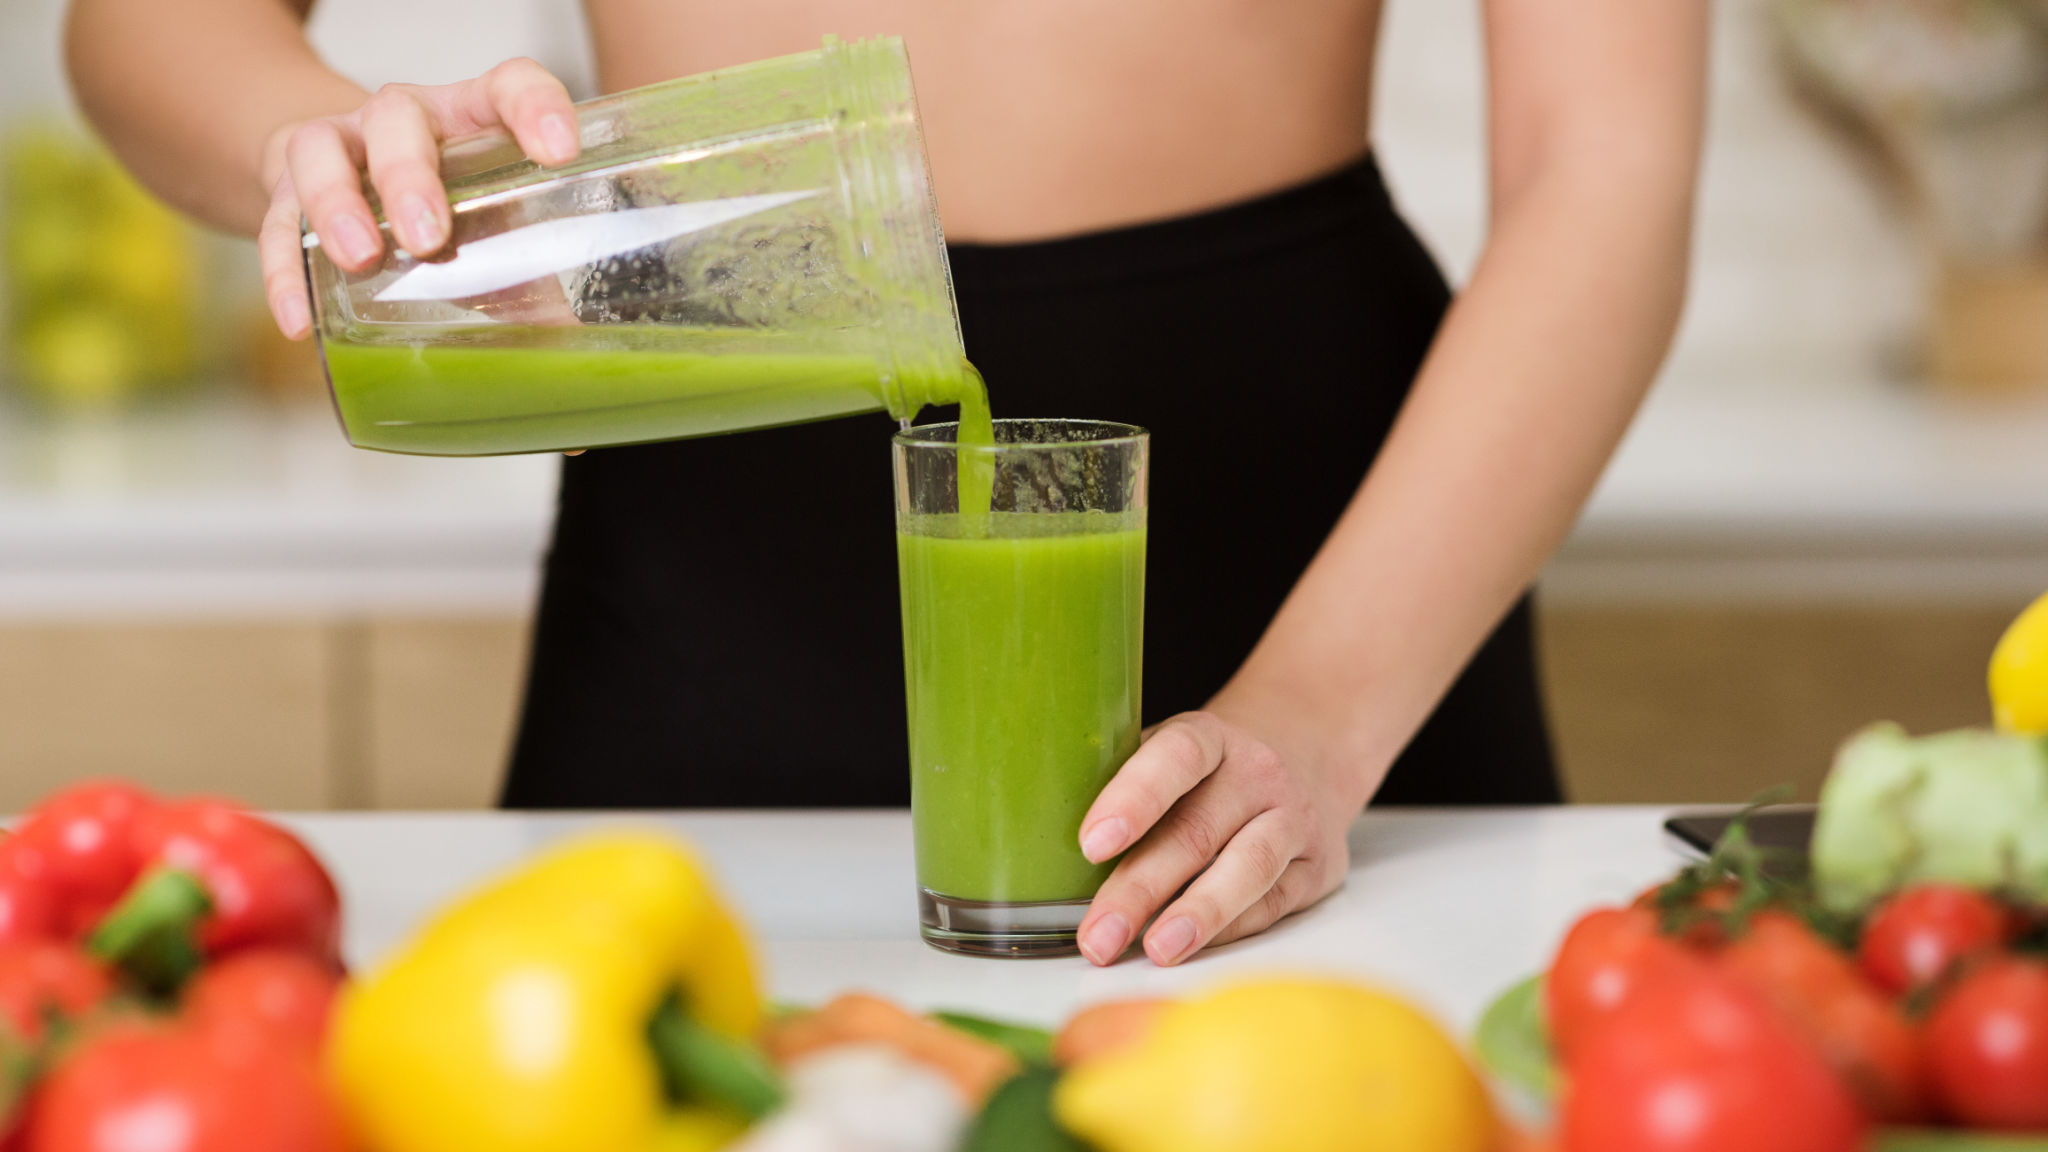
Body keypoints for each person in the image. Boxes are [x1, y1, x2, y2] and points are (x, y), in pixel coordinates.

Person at [67, 1, 1707, 967]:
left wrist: (1326, 717)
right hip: (710, 547)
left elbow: (1606, 160)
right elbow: (142, 23)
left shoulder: (1333, 688)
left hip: (1334, 564)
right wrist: (327, 146)